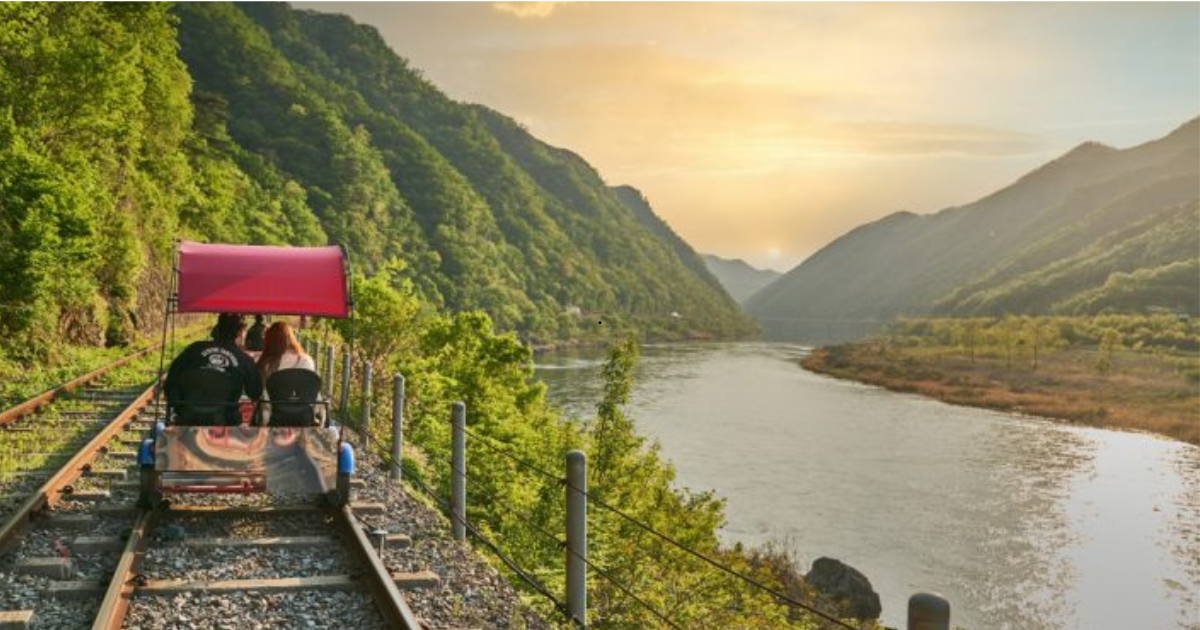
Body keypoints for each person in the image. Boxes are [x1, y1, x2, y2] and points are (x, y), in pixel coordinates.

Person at [163, 313, 263, 425]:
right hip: (226, 421)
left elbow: (170, 381)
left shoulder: (194, 349)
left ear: (217, 328)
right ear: (239, 332)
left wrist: (178, 404)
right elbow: (255, 392)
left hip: (187, 417)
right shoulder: (244, 359)